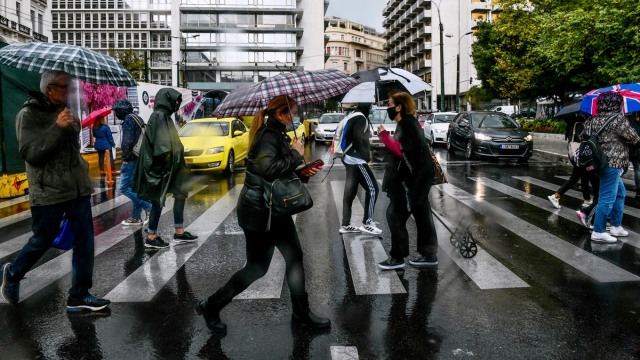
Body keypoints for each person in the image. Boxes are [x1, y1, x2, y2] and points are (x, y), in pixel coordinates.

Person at [195, 95, 330, 334]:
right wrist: (296, 154)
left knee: (277, 262)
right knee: (265, 265)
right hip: (261, 211)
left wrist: (303, 170)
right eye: (292, 113)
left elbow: (276, 170)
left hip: (268, 208)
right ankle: (212, 305)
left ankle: (299, 313)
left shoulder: (274, 133)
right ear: (280, 114)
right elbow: (268, 169)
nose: (294, 118)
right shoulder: (268, 135)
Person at [0, 70, 110, 311]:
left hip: (77, 188)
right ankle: (13, 273)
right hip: (48, 192)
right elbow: (30, 153)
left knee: (85, 241)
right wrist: (57, 128)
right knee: (42, 240)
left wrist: (71, 125)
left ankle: (79, 295)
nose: (70, 91)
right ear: (49, 89)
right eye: (65, 87)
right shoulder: (27, 115)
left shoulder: (66, 112)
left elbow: (72, 148)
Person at [376, 91, 438, 270]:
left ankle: (398, 257)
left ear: (398, 107)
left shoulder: (407, 124)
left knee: (395, 215)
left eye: (389, 104)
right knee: (422, 214)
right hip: (416, 179)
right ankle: (428, 254)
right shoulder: (408, 123)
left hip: (412, 181)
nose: (387, 108)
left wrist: (384, 137)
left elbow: (403, 151)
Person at [133, 88, 198, 249]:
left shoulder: (163, 116)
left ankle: (179, 231)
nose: (177, 104)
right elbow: (163, 147)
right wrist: (171, 160)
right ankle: (151, 235)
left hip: (170, 166)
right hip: (161, 167)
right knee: (157, 199)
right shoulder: (160, 116)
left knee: (180, 193)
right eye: (176, 101)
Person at [585, 92, 640, 243]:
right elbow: (634, 138)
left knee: (620, 193)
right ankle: (599, 231)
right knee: (607, 197)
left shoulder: (591, 119)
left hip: (595, 162)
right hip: (612, 162)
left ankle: (615, 225)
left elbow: (584, 136)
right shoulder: (618, 119)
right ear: (617, 104)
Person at [339, 103, 381, 235]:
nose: (372, 107)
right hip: (356, 159)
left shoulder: (353, 115)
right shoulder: (361, 118)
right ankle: (367, 222)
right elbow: (358, 138)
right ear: (366, 106)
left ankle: (345, 224)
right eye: (370, 105)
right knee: (373, 188)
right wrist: (366, 155)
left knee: (350, 191)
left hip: (348, 157)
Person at [113, 99, 152, 226]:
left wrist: (125, 158)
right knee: (135, 188)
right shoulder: (137, 118)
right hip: (138, 158)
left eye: (116, 111)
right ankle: (136, 217)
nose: (115, 114)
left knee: (124, 188)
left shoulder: (129, 120)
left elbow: (127, 142)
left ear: (121, 110)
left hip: (131, 159)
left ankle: (149, 207)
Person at [548, 118, 599, 209]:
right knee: (581, 178)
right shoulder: (578, 125)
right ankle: (556, 196)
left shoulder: (571, 124)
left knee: (582, 177)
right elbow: (581, 138)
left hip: (576, 156)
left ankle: (586, 200)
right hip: (581, 156)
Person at [628, 112, 640, 200]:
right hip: (636, 149)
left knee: (636, 169)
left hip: (631, 149)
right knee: (637, 169)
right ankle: (638, 191)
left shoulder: (631, 121)